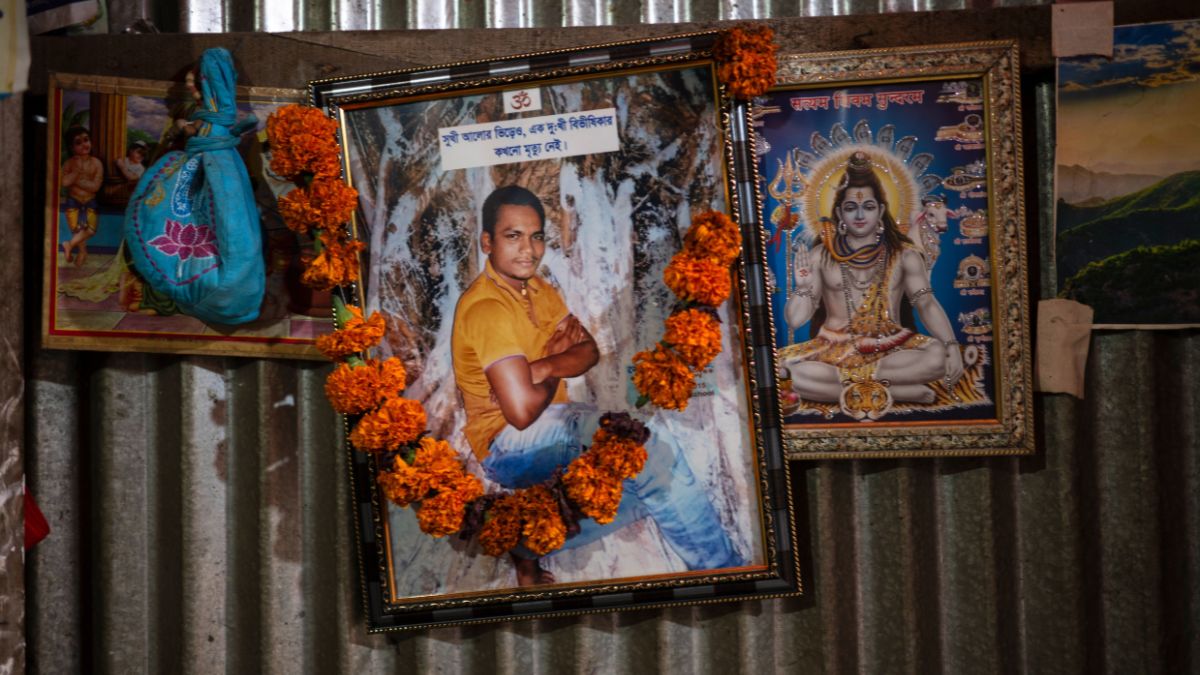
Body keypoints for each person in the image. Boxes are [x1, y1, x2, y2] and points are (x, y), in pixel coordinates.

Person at [451, 185, 744, 586]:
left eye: (536, 236)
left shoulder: (538, 289)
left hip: (550, 422)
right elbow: (519, 415)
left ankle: (528, 540)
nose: (528, 249)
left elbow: (588, 351)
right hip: (507, 445)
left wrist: (539, 367)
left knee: (651, 480)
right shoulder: (488, 308)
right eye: (513, 235)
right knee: (646, 445)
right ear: (487, 242)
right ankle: (725, 574)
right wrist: (555, 368)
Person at [779, 151, 963, 419]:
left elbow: (925, 303)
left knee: (937, 356)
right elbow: (795, 320)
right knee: (777, 367)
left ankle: (854, 388)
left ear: (881, 211)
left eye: (868, 206)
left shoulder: (904, 254)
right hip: (833, 350)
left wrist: (950, 344)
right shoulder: (821, 255)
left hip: (889, 347)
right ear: (840, 213)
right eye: (851, 208)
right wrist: (804, 286)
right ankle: (899, 391)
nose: (860, 215)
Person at [60, 126, 104, 267]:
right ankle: (82, 252)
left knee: (90, 230)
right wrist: (76, 171)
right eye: (78, 142)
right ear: (72, 147)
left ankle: (69, 244)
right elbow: (64, 182)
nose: (84, 144)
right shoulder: (69, 163)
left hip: (90, 201)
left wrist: (76, 178)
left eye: (86, 140)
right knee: (78, 230)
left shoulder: (96, 163)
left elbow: (95, 187)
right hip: (74, 201)